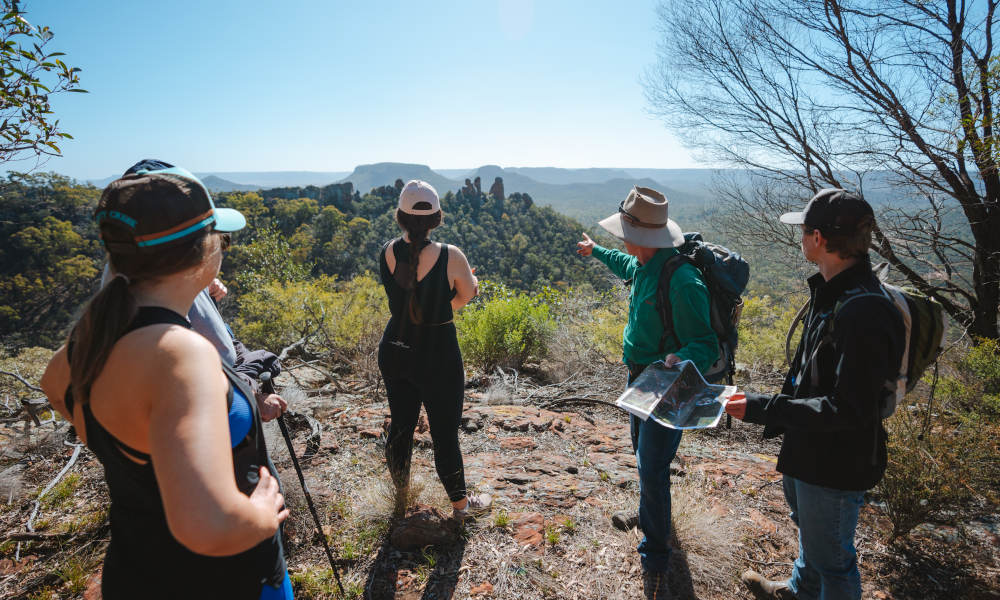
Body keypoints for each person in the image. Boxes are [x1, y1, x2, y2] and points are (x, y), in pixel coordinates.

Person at [40, 165, 293, 599]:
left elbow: (54, 389)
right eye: (221, 238)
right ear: (201, 252)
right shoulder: (181, 353)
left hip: (137, 567)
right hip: (222, 580)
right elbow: (208, 528)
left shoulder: (89, 339)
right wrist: (262, 515)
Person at [725, 189, 904, 600]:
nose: (801, 239)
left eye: (803, 231)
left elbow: (850, 408)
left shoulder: (864, 311)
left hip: (836, 462)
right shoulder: (835, 292)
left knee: (835, 564)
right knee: (814, 536)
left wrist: (759, 407)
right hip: (811, 449)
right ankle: (799, 591)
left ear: (819, 239)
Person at [577, 186, 718, 599]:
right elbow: (625, 263)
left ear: (644, 236)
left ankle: (655, 558)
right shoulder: (645, 260)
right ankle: (649, 515)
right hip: (638, 378)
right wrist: (596, 252)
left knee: (653, 466)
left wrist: (679, 357)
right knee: (641, 453)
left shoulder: (683, 279)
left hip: (667, 384)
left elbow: (705, 344)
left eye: (625, 234)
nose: (622, 240)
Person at [100, 159, 287, 422]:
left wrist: (202, 289)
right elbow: (202, 406)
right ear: (195, 251)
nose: (221, 248)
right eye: (216, 238)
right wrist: (249, 396)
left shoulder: (115, 299)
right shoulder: (174, 343)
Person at [377, 180, 491, 520]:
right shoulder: (450, 255)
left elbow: (405, 298)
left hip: (395, 349)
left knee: (401, 427)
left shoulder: (387, 250)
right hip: (438, 355)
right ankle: (461, 507)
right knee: (444, 435)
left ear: (400, 216)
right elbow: (465, 297)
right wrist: (454, 297)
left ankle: (400, 499)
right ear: (437, 217)